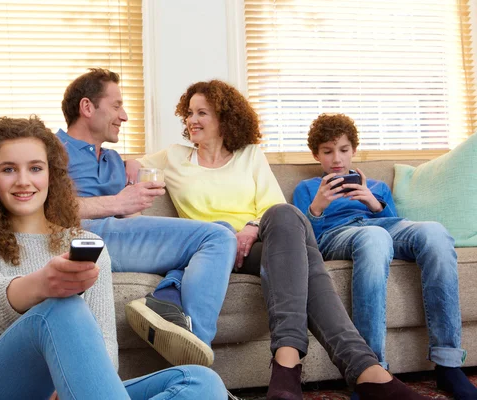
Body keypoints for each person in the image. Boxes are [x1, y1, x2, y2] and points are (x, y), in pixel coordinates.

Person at [125, 80, 430, 400]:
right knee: (306, 258)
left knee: (285, 215)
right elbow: (130, 167)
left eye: (202, 113)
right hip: (212, 248)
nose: (192, 120)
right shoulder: (174, 156)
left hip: (258, 244)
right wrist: (126, 174)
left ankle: (289, 367)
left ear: (225, 119)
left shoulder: (250, 155)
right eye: (189, 113)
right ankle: (361, 371)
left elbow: (272, 207)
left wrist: (250, 228)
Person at [0, 116, 227, 400]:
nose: (23, 181)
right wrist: (43, 285)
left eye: (35, 168)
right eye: (8, 169)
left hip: (72, 392)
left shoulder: (87, 244)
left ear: (51, 174)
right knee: (62, 309)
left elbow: (105, 347)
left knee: (200, 382)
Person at [56, 68, 237, 367]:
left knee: (222, 229)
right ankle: (196, 354)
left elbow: (132, 221)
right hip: (86, 239)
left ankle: (168, 296)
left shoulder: (113, 160)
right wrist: (117, 201)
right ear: (87, 107)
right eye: (116, 106)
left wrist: (134, 202)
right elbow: (48, 208)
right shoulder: (52, 151)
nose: (124, 116)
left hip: (119, 237)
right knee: (216, 237)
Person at [293, 113, 477, 400]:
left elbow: (395, 225)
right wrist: (317, 207)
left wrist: (372, 202)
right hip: (337, 235)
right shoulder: (306, 189)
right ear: (316, 155)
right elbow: (308, 241)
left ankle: (448, 364)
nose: (337, 159)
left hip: (382, 227)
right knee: (374, 237)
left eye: (343, 150)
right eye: (328, 152)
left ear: (353, 150)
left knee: (435, 233)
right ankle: (369, 372)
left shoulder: (376, 186)